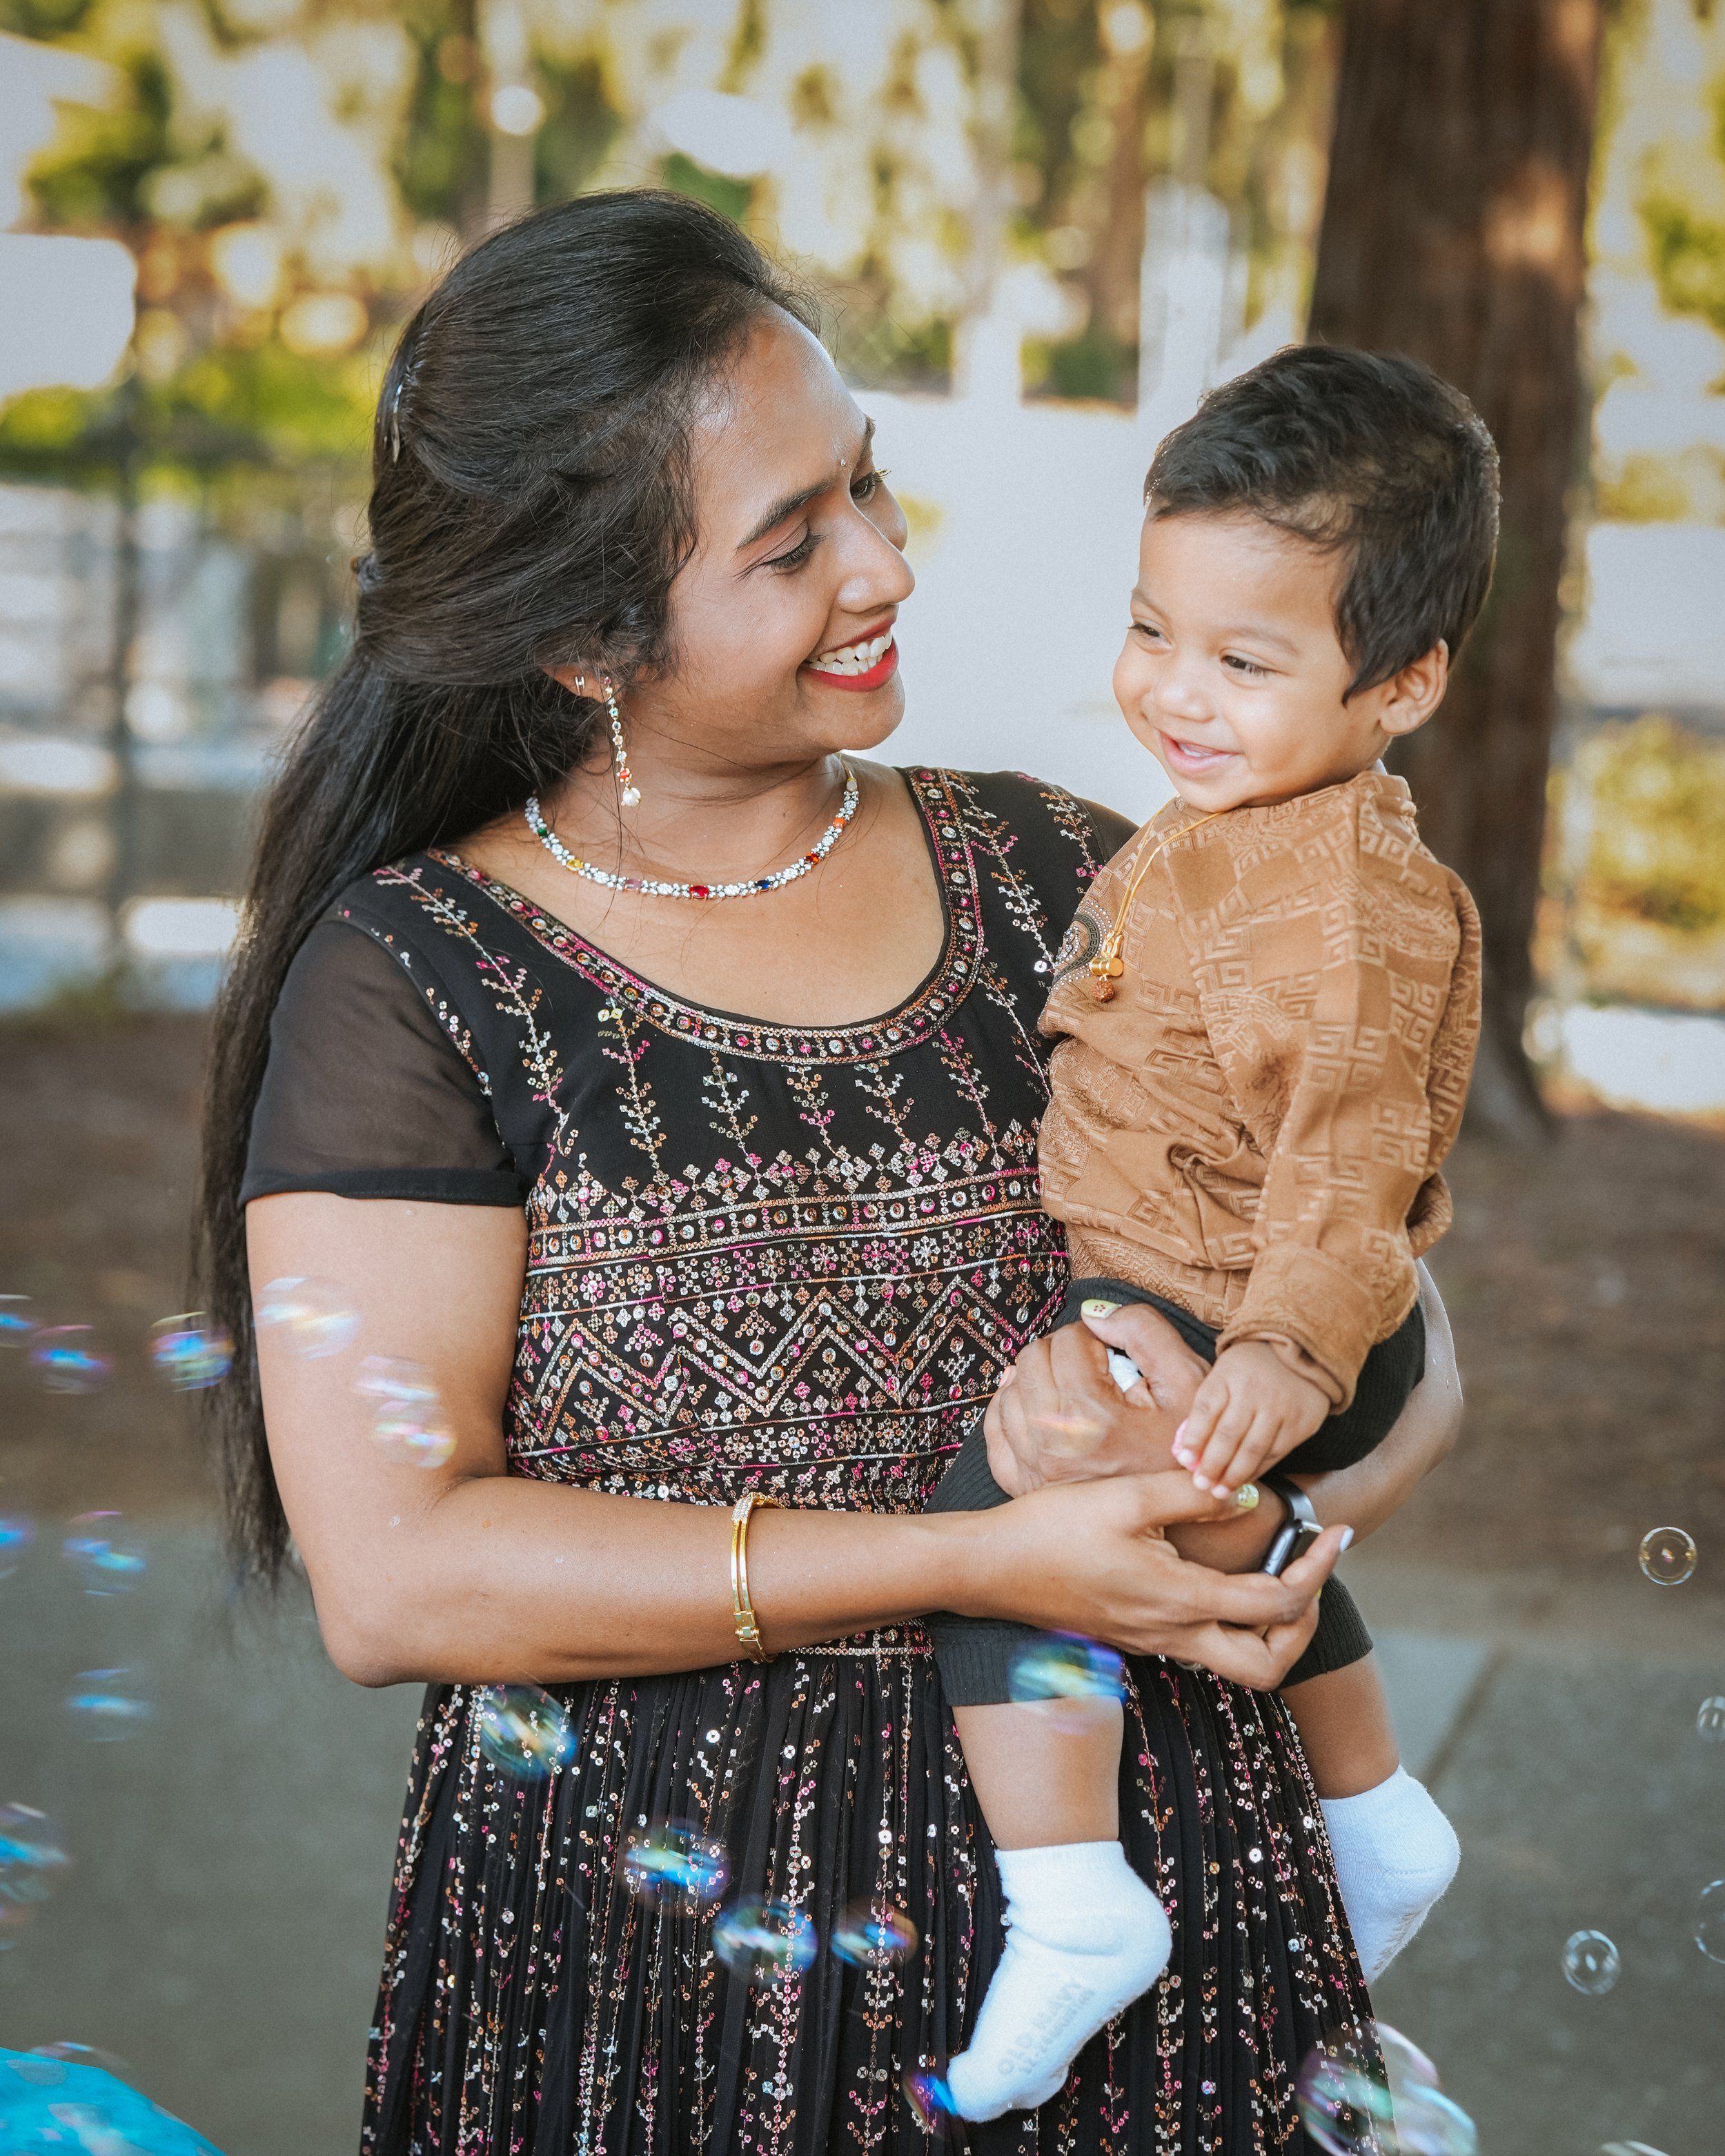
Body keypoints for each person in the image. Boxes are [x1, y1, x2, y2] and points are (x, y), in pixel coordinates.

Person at [195, 192, 1463, 2155]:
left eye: (867, 485)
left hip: (1167, 1924)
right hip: (650, 1969)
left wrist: (1242, 1519)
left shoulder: (1081, 872)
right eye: (792, 543)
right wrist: (975, 1558)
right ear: (578, 629)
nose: (883, 562)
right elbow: (392, 1567)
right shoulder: (424, 980)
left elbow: (1389, 1335)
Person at [922, 346, 1494, 2120]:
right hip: (1206, 1281)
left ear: (1398, 682)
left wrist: (1274, 1349)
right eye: (1151, 630)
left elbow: (1347, 1169)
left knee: (1003, 1514)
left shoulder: (1347, 908)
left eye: (1243, 663)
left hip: (1251, 1292)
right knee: (1231, 1530)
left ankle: (1072, 1899)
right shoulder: (1242, 824)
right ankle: (1376, 1819)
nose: (1173, 691)